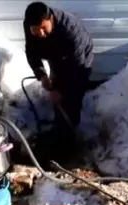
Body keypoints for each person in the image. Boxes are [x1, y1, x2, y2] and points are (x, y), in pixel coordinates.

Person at [23, 1, 94, 154]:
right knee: (57, 91)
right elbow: (31, 52)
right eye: (36, 30)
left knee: (73, 96)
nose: (40, 33)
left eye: (44, 28)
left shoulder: (70, 30)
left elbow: (76, 69)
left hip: (79, 59)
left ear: (52, 20)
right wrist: (41, 75)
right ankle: (59, 129)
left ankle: (70, 137)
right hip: (55, 55)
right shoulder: (29, 25)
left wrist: (62, 91)